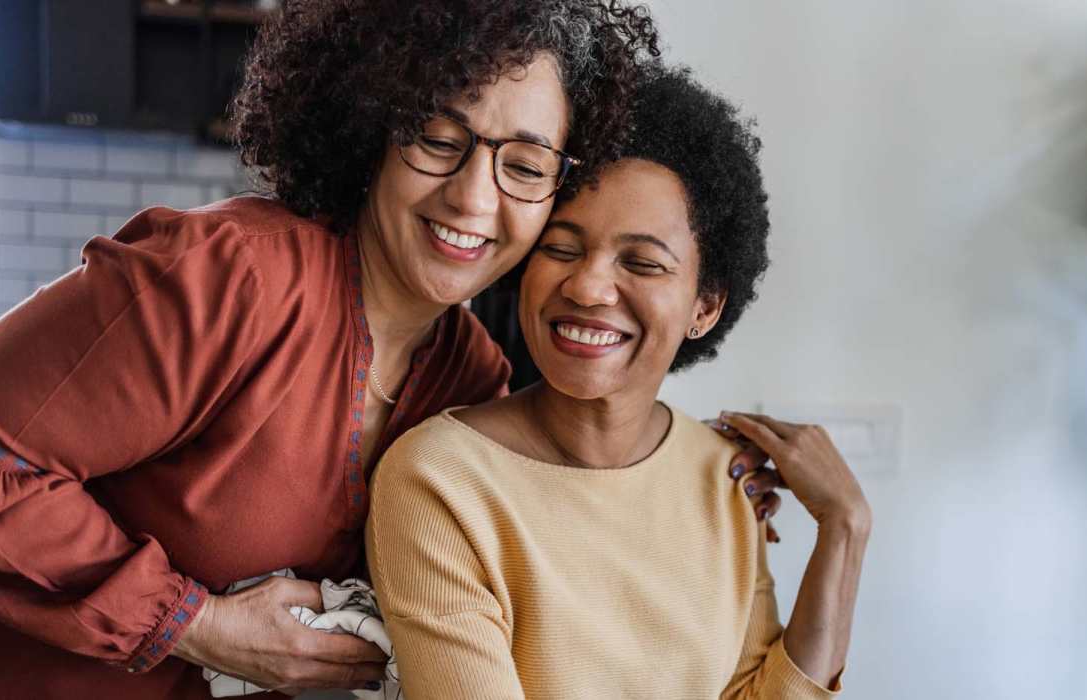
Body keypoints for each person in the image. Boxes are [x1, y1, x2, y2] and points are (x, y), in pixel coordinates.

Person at [0, 2, 679, 697]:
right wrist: (194, 623)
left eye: (526, 166)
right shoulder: (230, 278)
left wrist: (705, 471)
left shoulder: (470, 378)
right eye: (438, 136)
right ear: (374, 125)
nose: (473, 196)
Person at [367, 65, 871, 699]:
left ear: (704, 307)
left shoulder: (726, 479)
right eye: (561, 247)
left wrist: (845, 529)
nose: (587, 287)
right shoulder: (440, 481)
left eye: (641, 262)